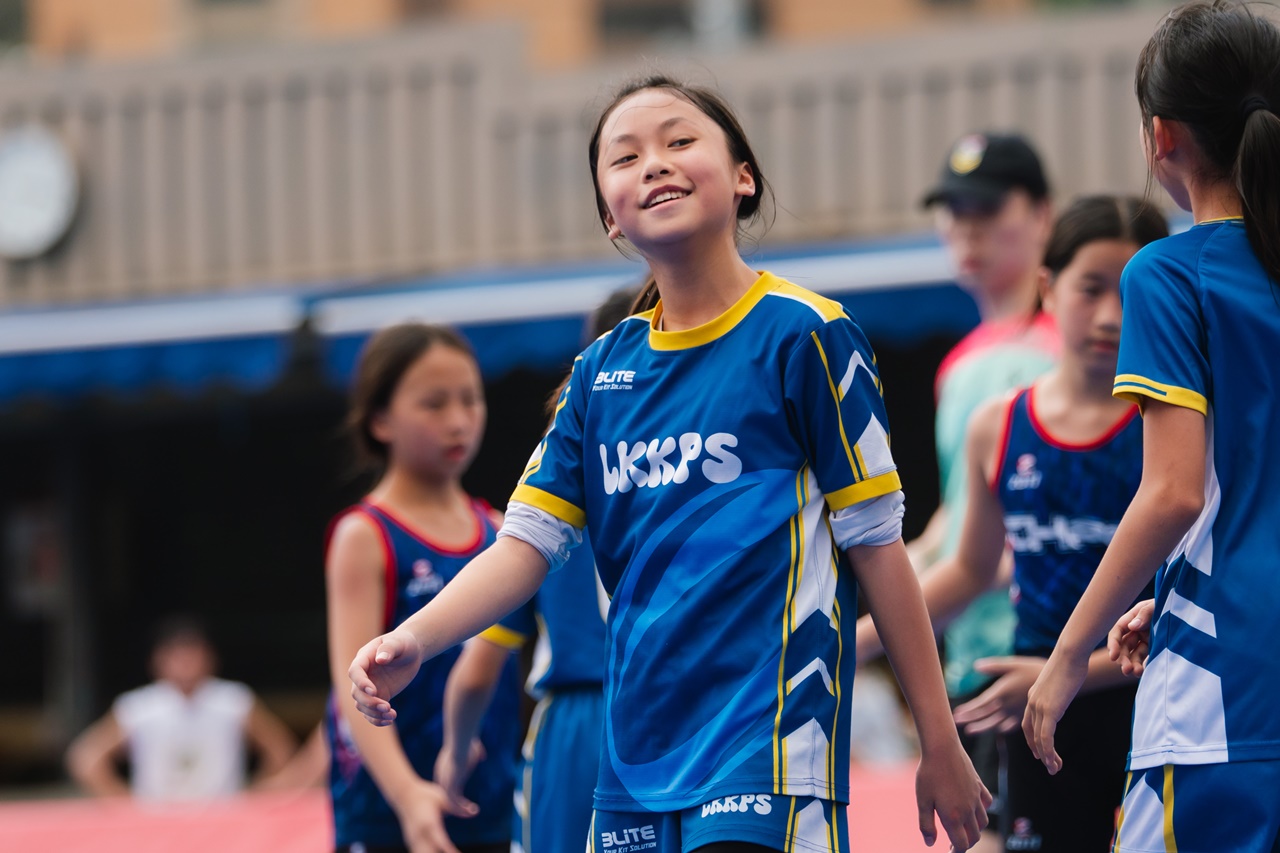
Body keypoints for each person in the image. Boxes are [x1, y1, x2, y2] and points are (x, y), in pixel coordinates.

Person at [347, 74, 990, 853]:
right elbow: (523, 548)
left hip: (769, 746)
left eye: (680, 141)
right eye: (625, 157)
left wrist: (937, 738)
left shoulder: (808, 335)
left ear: (743, 176)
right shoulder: (598, 375)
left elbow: (878, 547)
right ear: (608, 215)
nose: (654, 163)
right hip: (633, 764)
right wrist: (415, 639)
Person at [1022, 4, 1280, 852]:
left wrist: (1067, 654)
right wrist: (1166, 590)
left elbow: (1173, 493)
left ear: (1160, 136)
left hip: (1226, 687)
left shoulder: (1170, 274)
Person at [858, 195, 1168, 852]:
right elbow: (969, 569)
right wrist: (850, 642)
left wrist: (1066, 669)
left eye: (1131, 292)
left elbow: (1185, 608)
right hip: (1036, 715)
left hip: (1146, 702)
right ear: (1048, 288)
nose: (1111, 315)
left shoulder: (1173, 431)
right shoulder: (998, 425)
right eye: (1091, 288)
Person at [436, 287, 640, 853]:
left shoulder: (548, 498)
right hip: (680, 715)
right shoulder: (704, 471)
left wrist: (455, 752)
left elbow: (476, 673)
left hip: (575, 729)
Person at [325, 322, 527, 853]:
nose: (458, 420)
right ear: (380, 420)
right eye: (434, 404)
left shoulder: (503, 534)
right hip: (389, 813)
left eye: (470, 399)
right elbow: (352, 687)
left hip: (486, 803)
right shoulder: (365, 535)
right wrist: (407, 795)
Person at [911, 131, 1058, 849]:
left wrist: (887, 624)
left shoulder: (1071, 351)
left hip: (1042, 661)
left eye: (988, 208)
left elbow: (1041, 527)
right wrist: (882, 577)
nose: (967, 229)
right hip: (967, 666)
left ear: (1042, 215)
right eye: (955, 211)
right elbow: (960, 513)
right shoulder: (959, 364)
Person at [65, 614, 296, 800]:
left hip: (221, 819)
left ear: (209, 657)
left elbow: (279, 747)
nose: (185, 663)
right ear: (158, 660)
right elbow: (87, 758)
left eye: (192, 654)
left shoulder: (233, 700)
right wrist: (126, 806)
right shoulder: (138, 707)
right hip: (158, 821)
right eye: (177, 656)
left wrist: (255, 797)